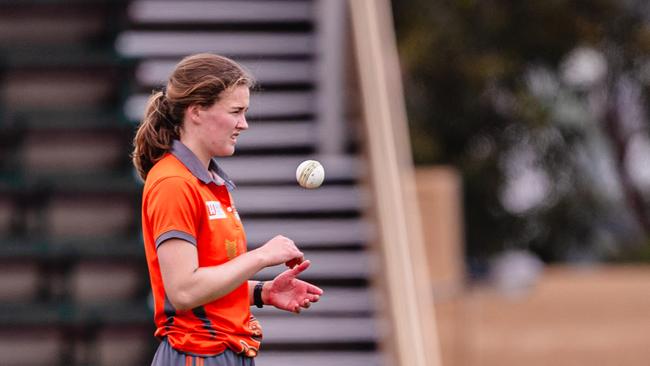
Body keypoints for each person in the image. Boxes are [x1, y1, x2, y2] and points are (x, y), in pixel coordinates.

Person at [132, 53, 323, 366]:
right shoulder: (173, 182)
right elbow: (183, 291)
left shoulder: (208, 182)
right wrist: (260, 257)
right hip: (197, 354)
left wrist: (263, 291)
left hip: (224, 351)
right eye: (236, 111)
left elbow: (206, 286)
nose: (243, 124)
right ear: (196, 112)